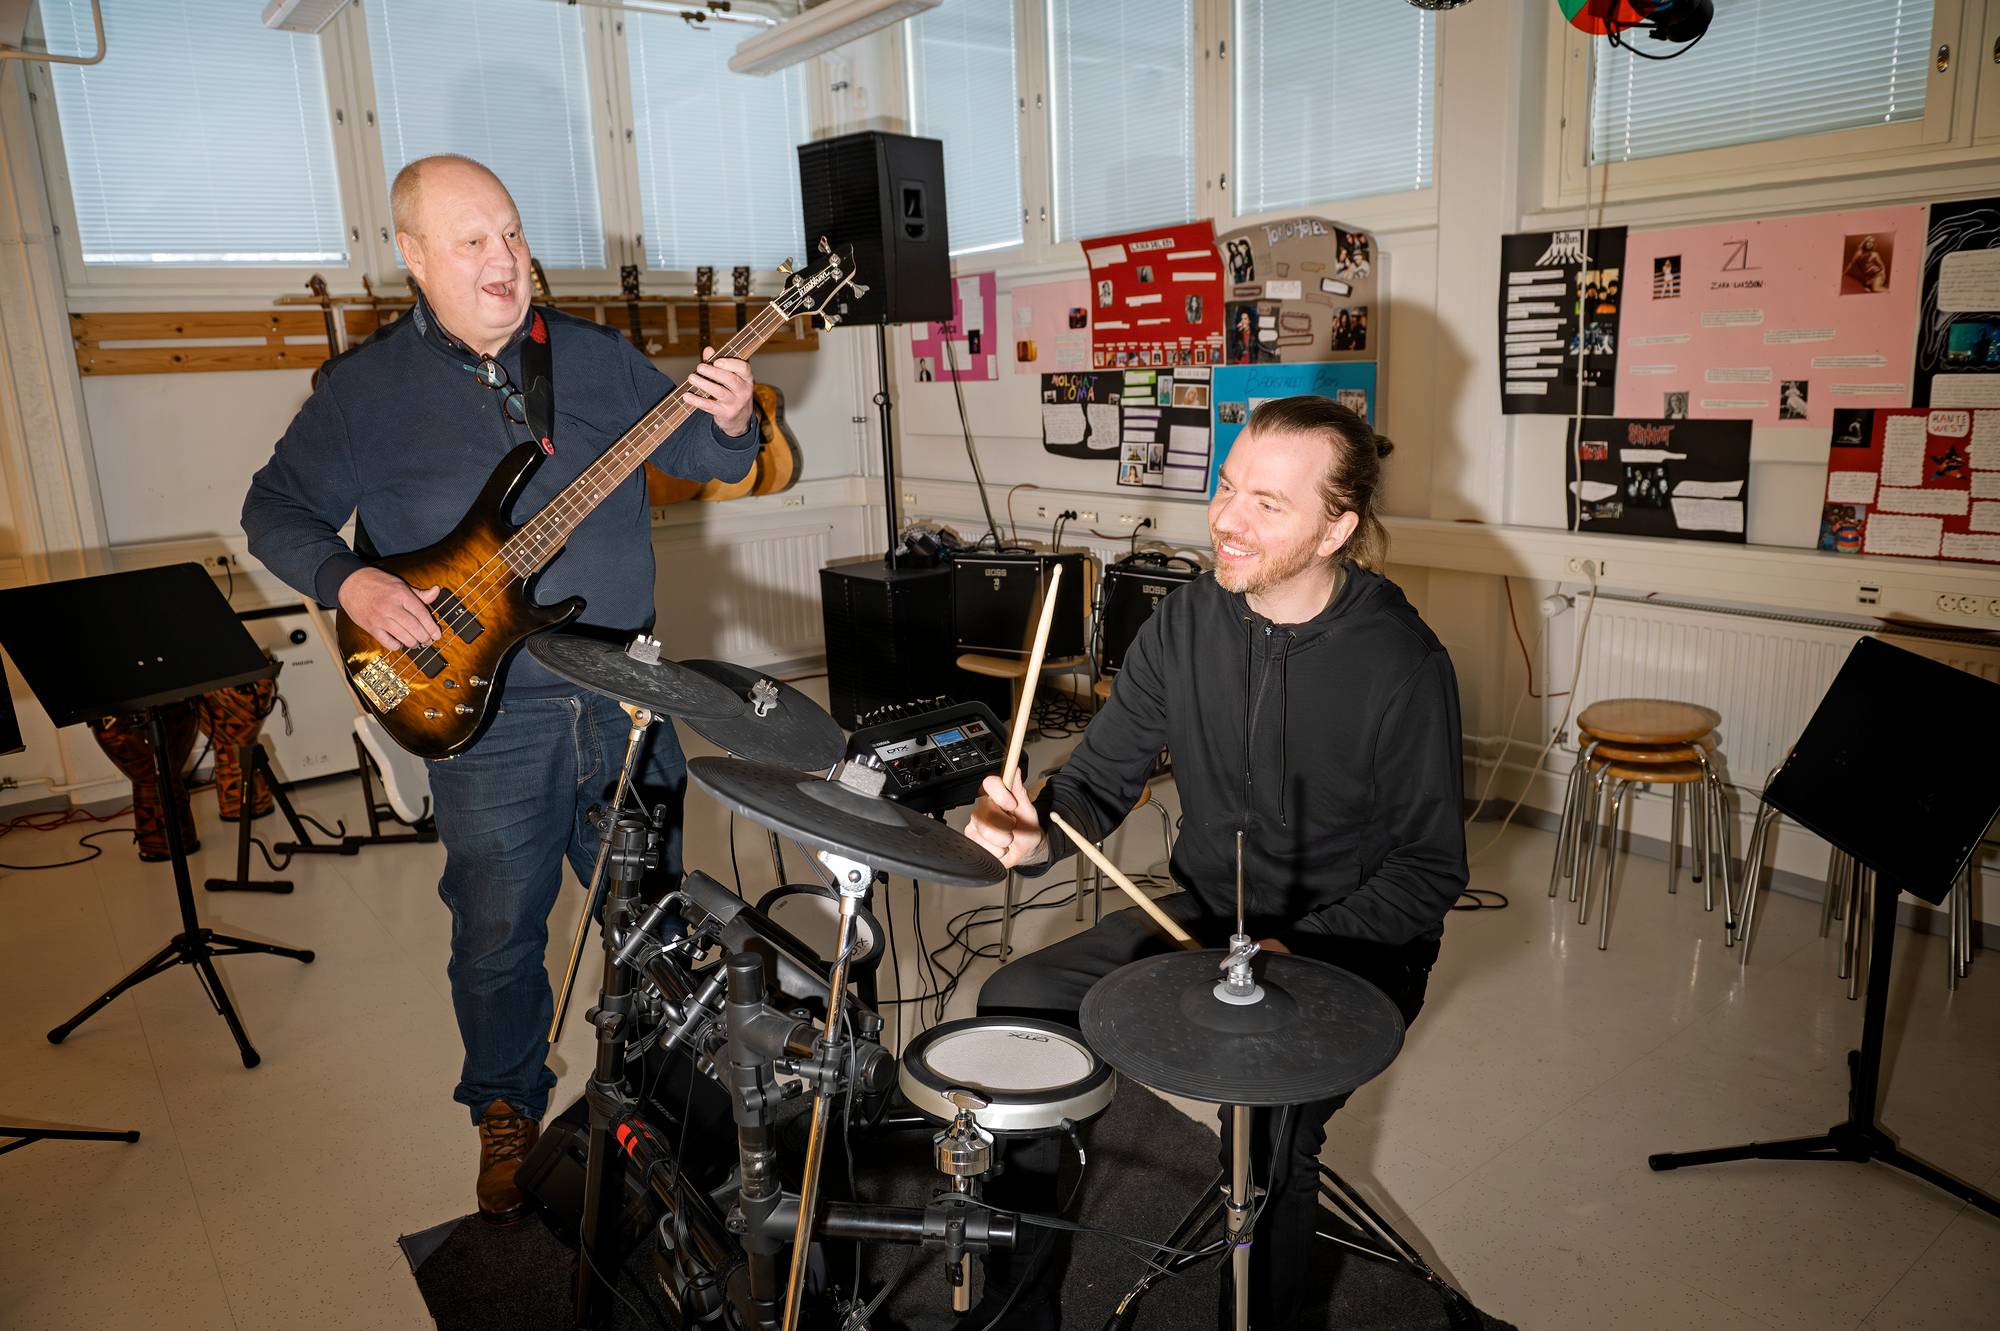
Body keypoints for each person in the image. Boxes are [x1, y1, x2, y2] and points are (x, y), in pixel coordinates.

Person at [241, 154, 758, 1225]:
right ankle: (506, 1106)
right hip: (484, 716)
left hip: (625, 696)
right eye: (472, 239)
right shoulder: (360, 393)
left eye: (513, 233)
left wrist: (734, 417)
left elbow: (713, 457)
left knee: (654, 917)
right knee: (495, 933)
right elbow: (274, 511)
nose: (504, 258)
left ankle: (661, 1091)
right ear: (413, 255)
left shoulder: (595, 357)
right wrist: (351, 580)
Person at [961, 395, 1467, 1329]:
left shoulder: (1403, 663)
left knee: (1266, 1134)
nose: (1227, 520)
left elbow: (1426, 871)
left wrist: (1295, 951)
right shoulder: (1186, 622)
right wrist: (1037, 834)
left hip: (1345, 946)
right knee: (1018, 1008)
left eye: (1267, 503)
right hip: (1204, 914)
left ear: (1336, 529)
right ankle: (1015, 1310)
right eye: (1227, 487)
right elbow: (1096, 783)